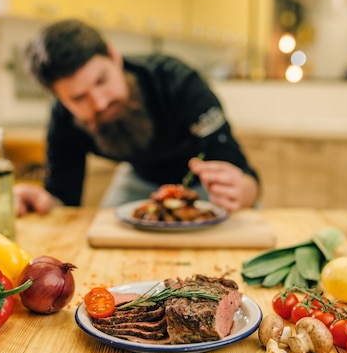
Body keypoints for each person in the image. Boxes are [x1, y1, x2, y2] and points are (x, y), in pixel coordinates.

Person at [14, 19, 260, 216]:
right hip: (137, 179)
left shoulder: (177, 81)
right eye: (78, 98)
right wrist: (43, 202)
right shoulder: (63, 117)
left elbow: (238, 170)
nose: (99, 103)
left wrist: (243, 191)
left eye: (101, 80)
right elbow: (63, 200)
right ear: (59, 98)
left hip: (202, 185)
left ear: (114, 56)